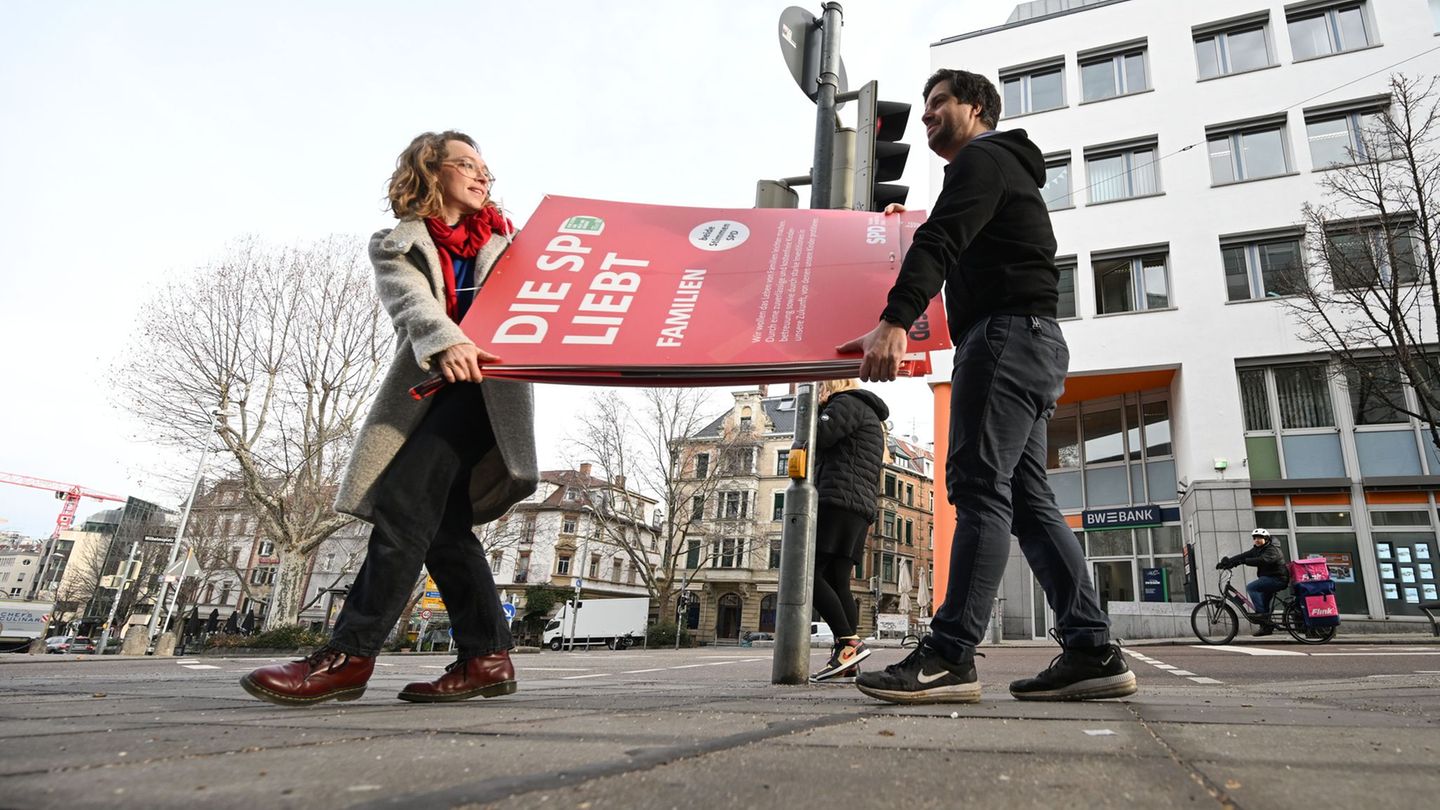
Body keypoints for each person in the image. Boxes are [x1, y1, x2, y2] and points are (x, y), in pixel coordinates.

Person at [839, 69, 1135, 704]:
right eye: (924, 108)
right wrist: (902, 229)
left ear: (975, 108)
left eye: (938, 104)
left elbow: (941, 239)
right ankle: (1090, 650)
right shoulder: (1004, 170)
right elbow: (956, 236)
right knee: (1028, 502)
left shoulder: (981, 159)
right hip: (1033, 341)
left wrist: (894, 321)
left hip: (1002, 340)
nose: (926, 118)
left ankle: (949, 654)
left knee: (977, 487)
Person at [241, 130, 538, 706]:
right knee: (443, 528)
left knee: (403, 510)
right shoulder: (397, 243)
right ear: (431, 171)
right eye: (467, 165)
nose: (483, 177)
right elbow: (411, 301)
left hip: (490, 392)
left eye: (487, 171)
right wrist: (444, 339)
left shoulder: (514, 240)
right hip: (436, 385)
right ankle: (486, 657)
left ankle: (349, 656)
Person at [809, 379, 889, 682]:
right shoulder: (866, 412)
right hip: (857, 506)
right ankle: (848, 659)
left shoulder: (846, 404)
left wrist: (812, 411)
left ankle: (849, 644)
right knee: (836, 580)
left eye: (819, 389)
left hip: (837, 500)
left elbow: (820, 436)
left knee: (808, 576)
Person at [1218, 529, 1289, 636]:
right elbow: (1243, 556)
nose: (1256, 540)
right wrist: (1228, 562)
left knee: (1252, 587)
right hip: (1267, 579)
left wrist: (1243, 561)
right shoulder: (1257, 549)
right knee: (1264, 604)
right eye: (1255, 538)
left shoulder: (1272, 550)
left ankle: (1260, 615)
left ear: (1266, 539)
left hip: (1277, 579)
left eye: (1259, 538)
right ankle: (1266, 627)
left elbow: (1262, 560)